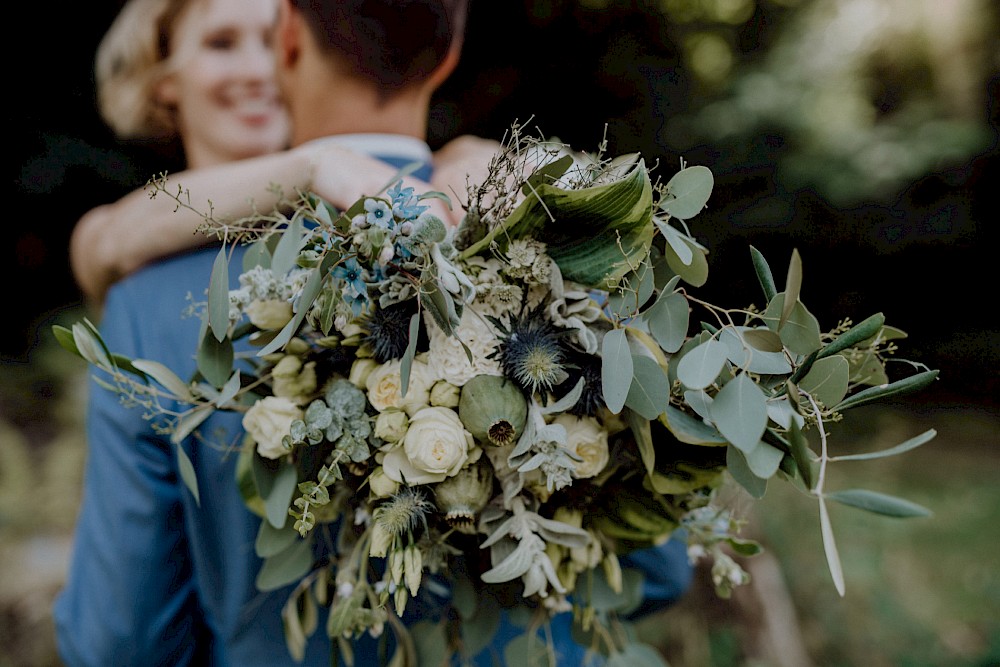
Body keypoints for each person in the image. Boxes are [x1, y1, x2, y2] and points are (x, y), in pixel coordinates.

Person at [54, 0, 692, 664]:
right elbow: (660, 565)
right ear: (449, 56)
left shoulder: (152, 305)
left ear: (290, 42)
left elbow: (120, 640)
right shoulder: (556, 248)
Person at [69, 0, 498, 309]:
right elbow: (103, 243)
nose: (259, 71)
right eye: (221, 43)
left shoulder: (375, 197)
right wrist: (314, 166)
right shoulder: (132, 246)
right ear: (161, 70)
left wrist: (468, 154)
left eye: (273, 39)